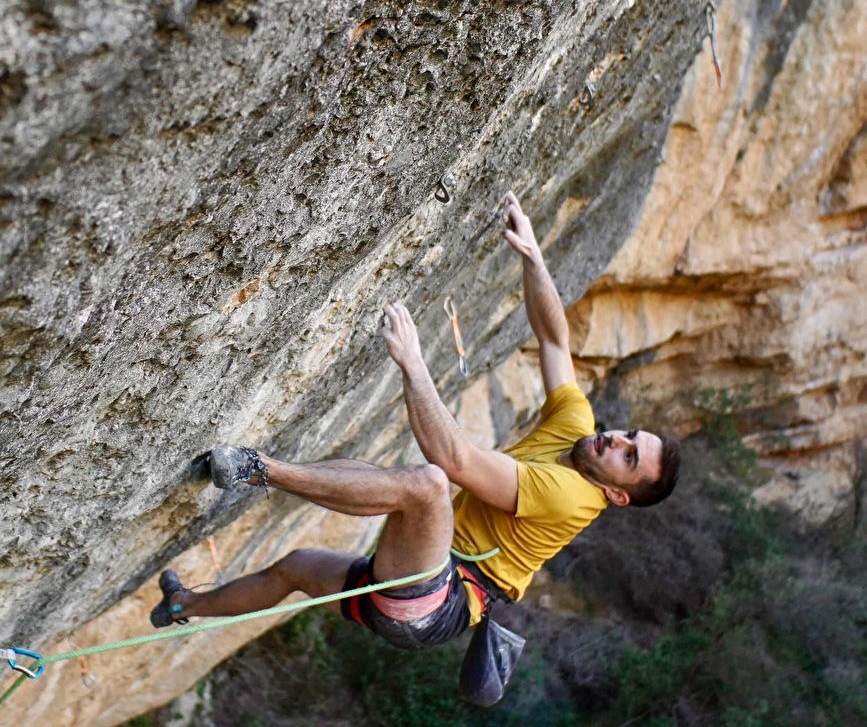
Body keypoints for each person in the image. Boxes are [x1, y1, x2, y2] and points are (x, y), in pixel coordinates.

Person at [151, 191, 680, 699]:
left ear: (617, 495)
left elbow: (453, 461)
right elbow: (554, 340)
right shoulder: (577, 427)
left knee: (428, 485)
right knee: (295, 565)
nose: (617, 440)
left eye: (628, 458)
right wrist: (534, 258)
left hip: (436, 604)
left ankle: (257, 470)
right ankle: (182, 605)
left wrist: (413, 362)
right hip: (418, 577)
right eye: (630, 436)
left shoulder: (570, 495)